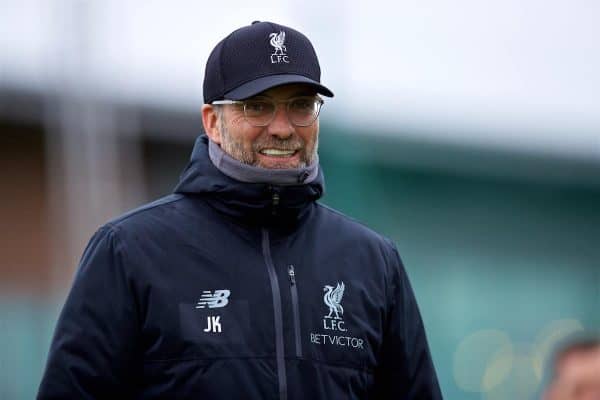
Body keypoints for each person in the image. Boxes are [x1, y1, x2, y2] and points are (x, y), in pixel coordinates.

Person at [38, 21, 442, 399]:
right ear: (213, 122)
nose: (283, 128)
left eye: (301, 106)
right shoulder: (129, 251)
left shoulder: (372, 262)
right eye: (258, 107)